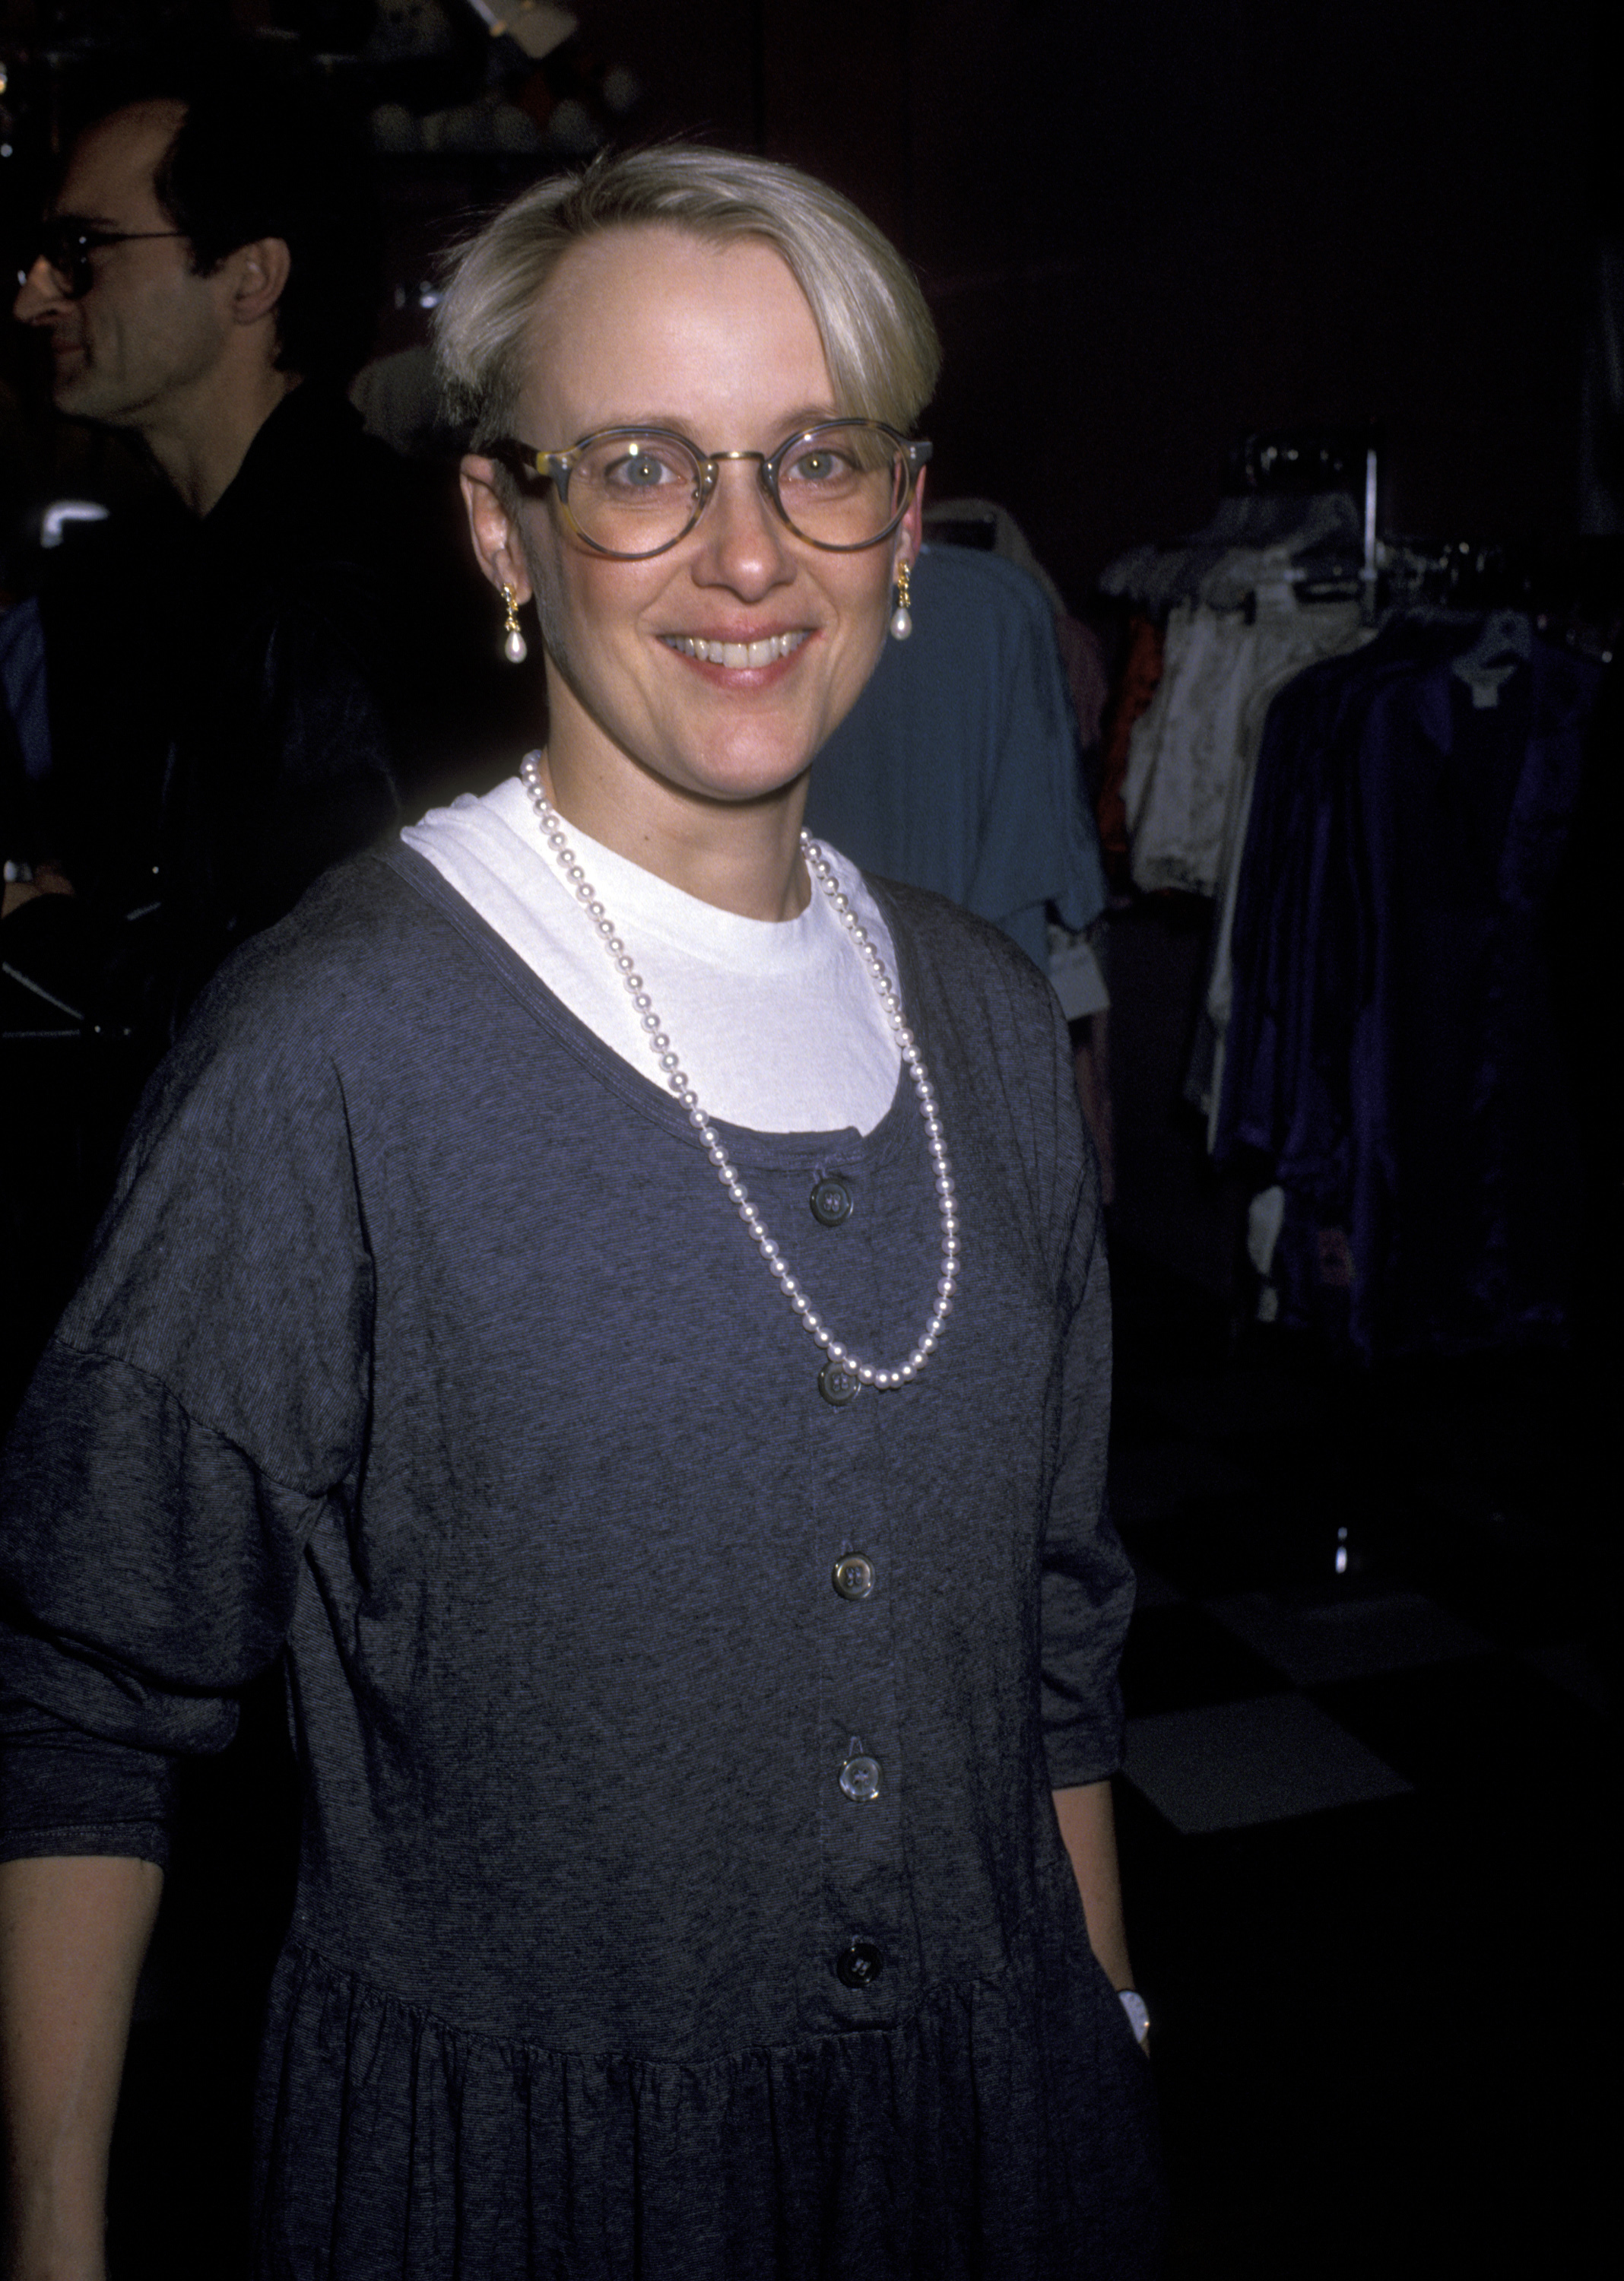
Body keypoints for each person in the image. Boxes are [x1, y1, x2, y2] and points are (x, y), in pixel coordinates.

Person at [0, 146, 1162, 2277]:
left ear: (905, 526)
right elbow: (88, 1700)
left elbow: (1054, 1664)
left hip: (995, 2148)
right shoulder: (328, 1057)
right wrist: (58, 2239)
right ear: (502, 528)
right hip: (526, 2193)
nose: (746, 555)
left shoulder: (991, 1030)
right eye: (641, 465)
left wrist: (1100, 2044)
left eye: (817, 460)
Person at [1, 50, 519, 1413]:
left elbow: (330, 1024)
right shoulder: (204, 558)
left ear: (250, 277)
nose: (33, 291)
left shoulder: (325, 583)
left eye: (81, 250)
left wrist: (41, 942)